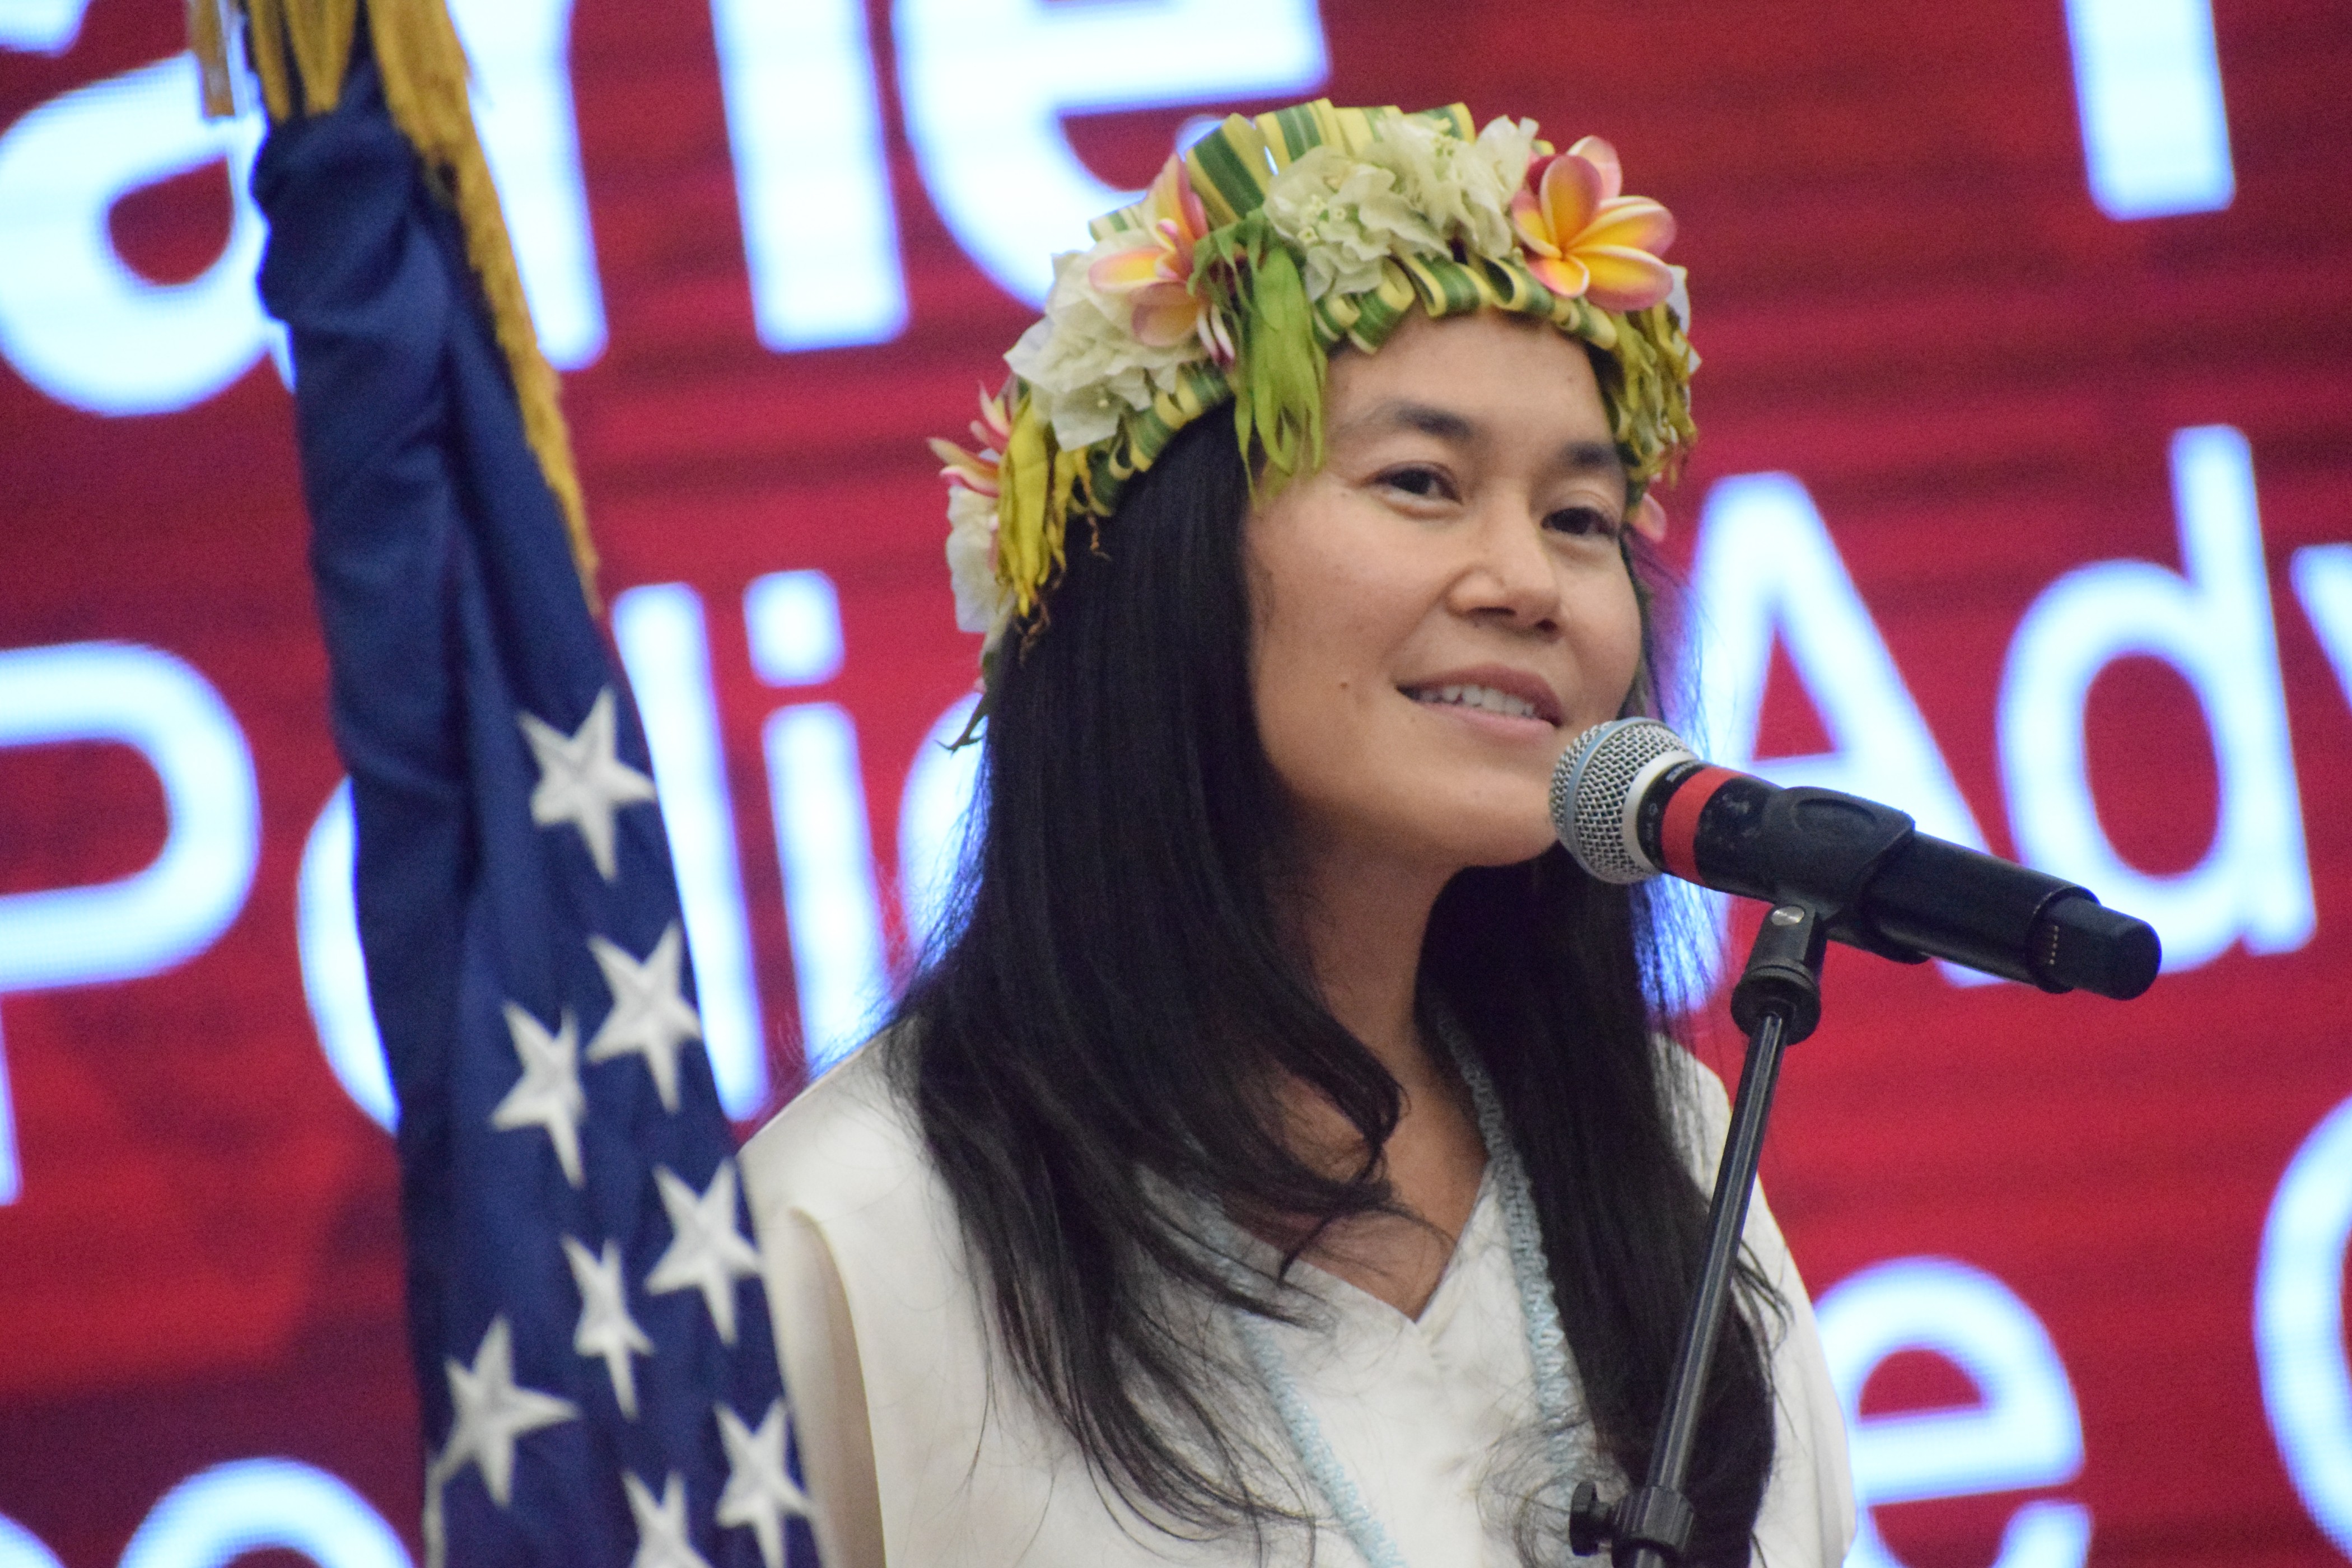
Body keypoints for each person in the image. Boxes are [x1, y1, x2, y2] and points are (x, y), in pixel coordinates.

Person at [741, 100, 1855, 1567]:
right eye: (1421, 484)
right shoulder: (847, 1228)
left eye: (1583, 516)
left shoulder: (1673, 1145)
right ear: (1158, 566)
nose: (1531, 580)